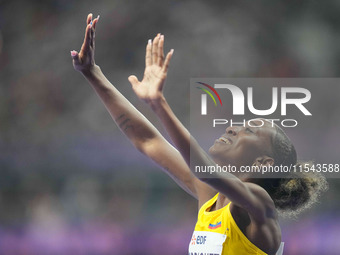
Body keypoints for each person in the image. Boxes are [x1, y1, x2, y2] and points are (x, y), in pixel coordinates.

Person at [71, 14, 328, 255]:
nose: (231, 128)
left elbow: (205, 171)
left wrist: (159, 105)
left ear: (263, 163)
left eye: (248, 130)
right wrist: (93, 73)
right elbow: (146, 140)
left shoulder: (259, 205)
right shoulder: (211, 199)